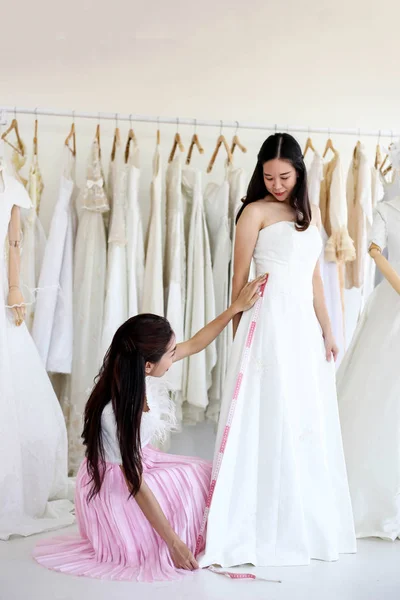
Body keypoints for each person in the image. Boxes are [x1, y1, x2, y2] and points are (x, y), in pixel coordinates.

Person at [33, 275, 265, 582]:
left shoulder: (137, 372)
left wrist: (235, 308)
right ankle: (180, 538)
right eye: (170, 354)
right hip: (121, 486)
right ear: (148, 366)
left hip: (140, 464)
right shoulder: (115, 413)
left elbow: (195, 343)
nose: (175, 356)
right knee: (186, 486)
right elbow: (135, 484)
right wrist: (173, 542)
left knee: (204, 473)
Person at [199, 133, 356, 570]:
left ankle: (301, 523)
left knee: (303, 416)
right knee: (266, 414)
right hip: (266, 323)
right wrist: (236, 337)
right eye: (268, 176)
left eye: (284, 176)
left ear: (299, 173)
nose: (276, 184)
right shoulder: (253, 212)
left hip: (302, 329)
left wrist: (327, 329)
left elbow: (316, 281)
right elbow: (239, 283)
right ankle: (253, 524)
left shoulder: (309, 213)